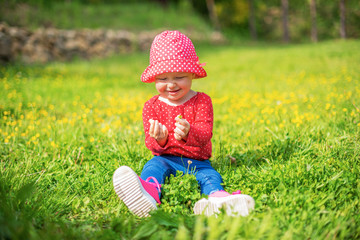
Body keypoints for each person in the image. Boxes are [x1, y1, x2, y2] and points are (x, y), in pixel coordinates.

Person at [113, 30, 254, 217]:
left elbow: (205, 134)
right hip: (165, 158)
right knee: (152, 166)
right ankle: (148, 192)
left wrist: (189, 132)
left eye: (179, 77)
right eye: (163, 78)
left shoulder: (202, 101)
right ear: (154, 79)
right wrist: (160, 139)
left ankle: (217, 198)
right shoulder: (151, 106)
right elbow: (150, 141)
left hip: (197, 161)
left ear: (192, 75)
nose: (171, 85)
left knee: (210, 176)